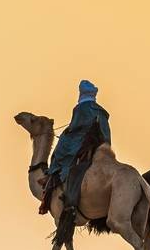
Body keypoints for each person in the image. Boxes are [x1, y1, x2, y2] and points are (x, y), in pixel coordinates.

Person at [40, 80, 111, 214]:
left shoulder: (81, 108)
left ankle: (54, 172)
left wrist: (67, 132)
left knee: (62, 144)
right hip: (101, 142)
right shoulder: (101, 111)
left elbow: (75, 127)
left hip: (83, 140)